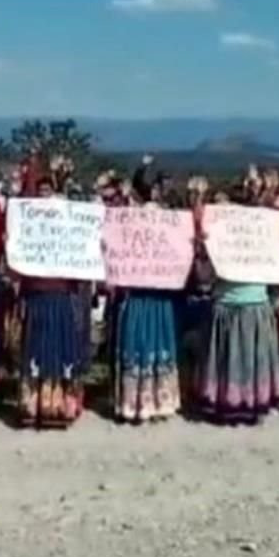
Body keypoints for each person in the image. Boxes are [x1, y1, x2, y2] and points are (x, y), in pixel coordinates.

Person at [196, 180, 279, 424]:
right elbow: (203, 279)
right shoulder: (216, 238)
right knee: (231, 359)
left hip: (255, 305)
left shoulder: (265, 234)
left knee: (247, 358)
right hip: (227, 305)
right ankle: (228, 402)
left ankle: (254, 402)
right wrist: (204, 246)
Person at [13, 177, 89, 429]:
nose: (45, 197)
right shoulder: (29, 225)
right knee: (36, 350)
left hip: (60, 297)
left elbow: (82, 259)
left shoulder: (70, 228)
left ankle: (56, 407)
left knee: (58, 351)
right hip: (37, 298)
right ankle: (33, 406)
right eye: (42, 192)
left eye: (49, 192)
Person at [111, 175, 184, 423]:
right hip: (142, 295)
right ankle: (143, 403)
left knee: (149, 345)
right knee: (142, 345)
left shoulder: (171, 221)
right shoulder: (130, 220)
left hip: (155, 293)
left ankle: (148, 403)